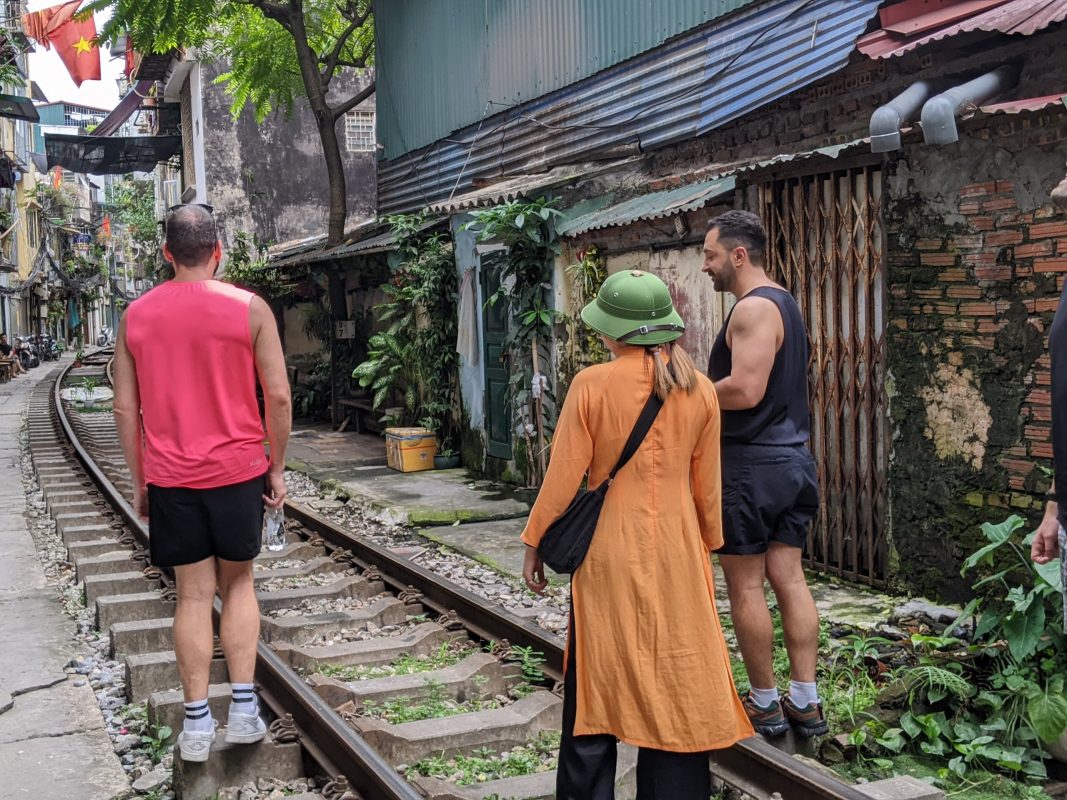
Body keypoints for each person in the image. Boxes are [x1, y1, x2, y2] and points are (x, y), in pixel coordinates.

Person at [521, 270, 753, 800]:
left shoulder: (592, 385)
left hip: (606, 556)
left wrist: (535, 540)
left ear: (613, 331)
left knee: (593, 686)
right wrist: (710, 546)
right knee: (677, 682)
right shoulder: (699, 390)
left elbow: (563, 477)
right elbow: (707, 488)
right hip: (678, 553)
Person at [113, 204, 292, 763]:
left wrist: (142, 479)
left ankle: (195, 725)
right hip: (238, 472)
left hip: (172, 477)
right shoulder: (250, 308)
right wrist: (277, 468)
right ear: (218, 250)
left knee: (191, 595)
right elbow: (280, 397)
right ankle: (242, 711)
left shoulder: (135, 316)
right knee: (238, 586)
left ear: (166, 253)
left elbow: (123, 407)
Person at [704, 210, 827, 738]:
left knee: (747, 587)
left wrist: (686, 390)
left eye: (710, 255)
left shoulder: (752, 310)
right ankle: (806, 700)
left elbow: (746, 390)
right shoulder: (786, 303)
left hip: (751, 465)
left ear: (738, 255)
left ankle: (766, 705)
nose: (705, 266)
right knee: (790, 578)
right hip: (793, 461)